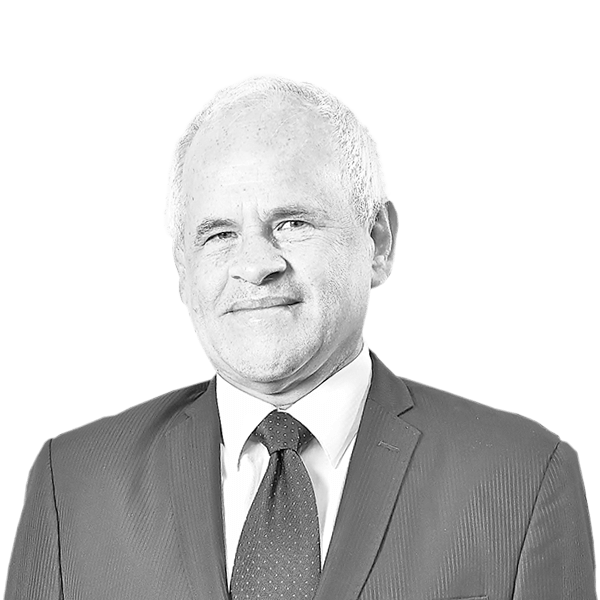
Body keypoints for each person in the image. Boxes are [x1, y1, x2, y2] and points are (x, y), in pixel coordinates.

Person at [4, 73, 596, 600]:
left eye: (292, 222)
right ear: (182, 268)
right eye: (218, 234)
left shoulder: (521, 478)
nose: (255, 265)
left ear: (379, 241)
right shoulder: (74, 482)